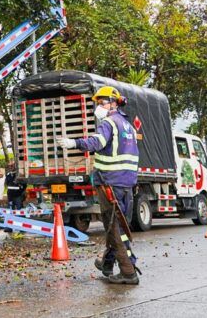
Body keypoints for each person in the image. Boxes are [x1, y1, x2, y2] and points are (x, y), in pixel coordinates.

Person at [60, 85, 140, 285]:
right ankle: (107, 262)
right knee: (119, 227)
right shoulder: (127, 125)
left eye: (101, 102)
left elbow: (97, 142)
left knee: (114, 228)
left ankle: (128, 272)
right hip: (127, 184)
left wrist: (73, 143)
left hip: (109, 183)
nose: (98, 106)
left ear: (113, 103)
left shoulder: (109, 122)